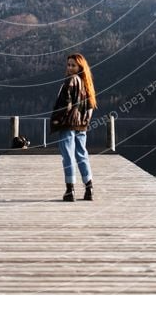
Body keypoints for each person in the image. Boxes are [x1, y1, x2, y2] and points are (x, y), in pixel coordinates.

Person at [49, 52, 97, 201]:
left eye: (73, 65)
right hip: (81, 126)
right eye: (68, 64)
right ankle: (89, 188)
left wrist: (57, 121)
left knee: (68, 156)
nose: (69, 68)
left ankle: (70, 190)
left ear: (79, 66)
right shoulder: (86, 83)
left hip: (68, 124)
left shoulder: (70, 80)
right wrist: (84, 122)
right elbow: (90, 107)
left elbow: (65, 105)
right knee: (82, 155)